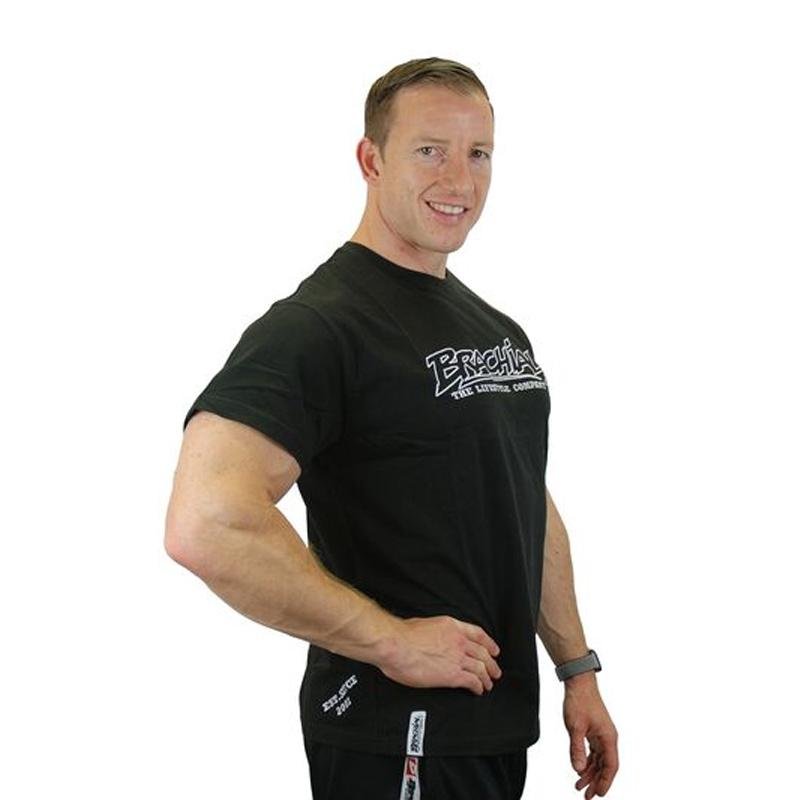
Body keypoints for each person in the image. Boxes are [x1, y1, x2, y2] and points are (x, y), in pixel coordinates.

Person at [165, 56, 619, 800]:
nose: (459, 180)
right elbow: (206, 522)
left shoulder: (495, 330)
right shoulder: (319, 327)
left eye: (479, 154)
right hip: (396, 736)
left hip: (494, 730)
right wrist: (390, 641)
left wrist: (576, 667)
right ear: (371, 160)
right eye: (430, 150)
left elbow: (520, 497)